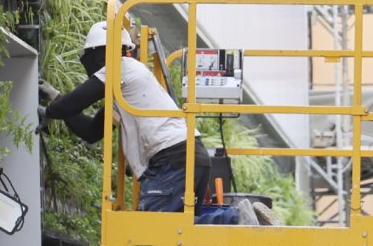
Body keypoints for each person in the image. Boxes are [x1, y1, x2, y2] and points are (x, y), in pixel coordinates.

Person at [38, 20, 272, 225]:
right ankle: (241, 217)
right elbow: (89, 131)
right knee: (180, 231)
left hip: (171, 159)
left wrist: (51, 109)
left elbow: (75, 102)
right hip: (189, 155)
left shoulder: (120, 67)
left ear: (101, 53)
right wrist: (56, 99)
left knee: (157, 231)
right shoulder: (125, 91)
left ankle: (235, 217)